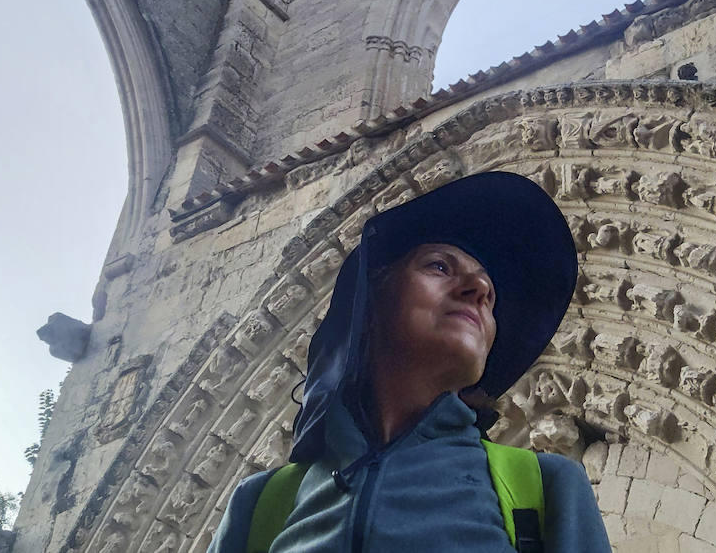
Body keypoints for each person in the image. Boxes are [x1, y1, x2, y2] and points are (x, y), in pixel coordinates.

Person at [207, 171, 610, 552]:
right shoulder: (261, 504)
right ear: (370, 305)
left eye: (490, 294)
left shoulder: (547, 488)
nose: (480, 289)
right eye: (439, 266)